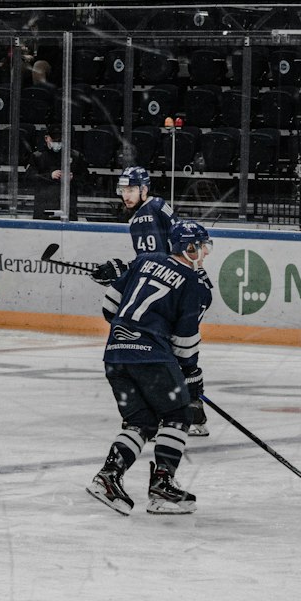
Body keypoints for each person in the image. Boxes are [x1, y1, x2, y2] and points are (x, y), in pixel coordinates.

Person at [87, 220, 213, 516]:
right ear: (190, 247)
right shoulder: (193, 281)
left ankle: (107, 478)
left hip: (116, 354)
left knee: (142, 422)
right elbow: (184, 343)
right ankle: (162, 487)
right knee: (178, 414)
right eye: (203, 246)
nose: (206, 252)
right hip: (151, 358)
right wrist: (191, 373)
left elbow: (109, 307)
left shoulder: (144, 261)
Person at [96, 165, 212, 436]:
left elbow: (155, 262)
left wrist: (122, 272)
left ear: (144, 189)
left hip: (182, 289)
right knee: (175, 349)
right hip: (193, 285)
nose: (126, 195)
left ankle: (180, 412)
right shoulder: (158, 207)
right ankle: (192, 412)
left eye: (131, 189)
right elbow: (164, 257)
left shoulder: (143, 216)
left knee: (169, 349)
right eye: (123, 190)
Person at [30, 125, 92, 220]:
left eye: (60, 140)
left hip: (67, 205)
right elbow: (29, 178)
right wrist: (49, 176)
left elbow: (86, 180)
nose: (57, 143)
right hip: (44, 205)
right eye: (54, 140)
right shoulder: (38, 156)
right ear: (46, 138)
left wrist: (73, 177)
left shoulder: (76, 156)